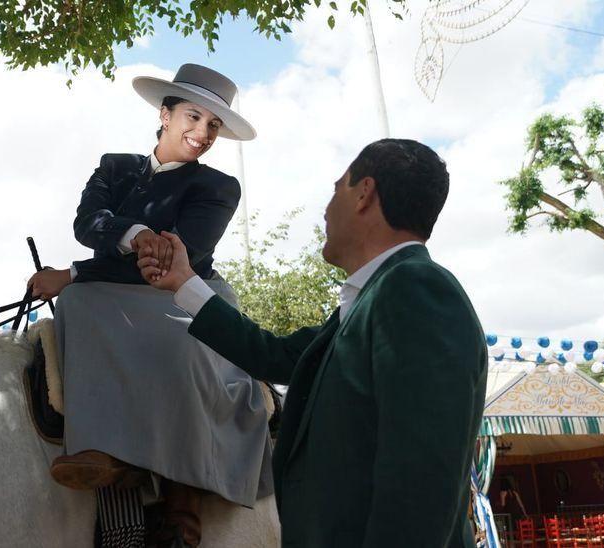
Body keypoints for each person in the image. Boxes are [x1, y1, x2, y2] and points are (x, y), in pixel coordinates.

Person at [138, 139, 488, 546]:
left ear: (364, 194)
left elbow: (422, 482)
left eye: (337, 188)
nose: (326, 208)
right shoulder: (371, 302)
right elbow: (273, 354)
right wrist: (185, 282)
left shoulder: (415, 289)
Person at [26, 64, 272, 547]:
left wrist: (70, 273)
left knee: (184, 347)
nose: (202, 133)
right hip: (105, 291)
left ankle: (184, 501)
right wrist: (138, 236)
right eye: (194, 117)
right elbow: (88, 223)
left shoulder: (219, 188)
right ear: (165, 113)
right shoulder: (114, 166)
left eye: (214, 126)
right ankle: (102, 457)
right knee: (76, 308)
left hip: (185, 289)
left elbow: (185, 256)